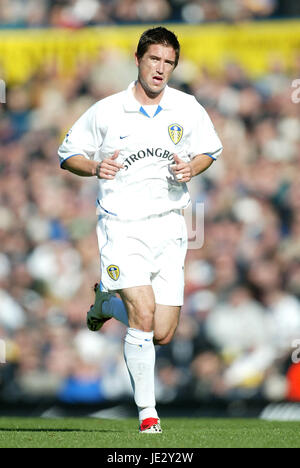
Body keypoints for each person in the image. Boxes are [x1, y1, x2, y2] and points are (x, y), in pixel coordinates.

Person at [58, 26, 222, 433]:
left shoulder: (187, 107)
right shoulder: (108, 110)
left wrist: (193, 166)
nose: (160, 69)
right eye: (154, 59)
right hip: (122, 226)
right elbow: (68, 154)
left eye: (169, 62)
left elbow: (208, 151)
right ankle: (149, 415)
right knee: (144, 314)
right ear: (138, 59)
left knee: (162, 332)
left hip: (170, 228)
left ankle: (105, 303)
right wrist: (95, 166)